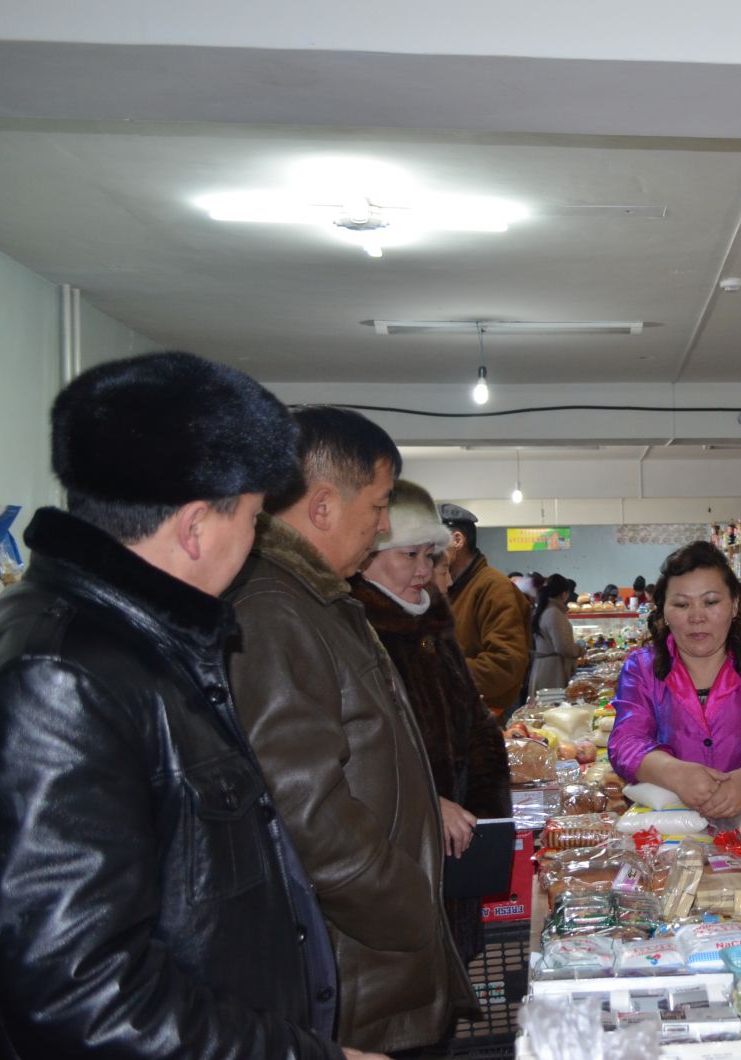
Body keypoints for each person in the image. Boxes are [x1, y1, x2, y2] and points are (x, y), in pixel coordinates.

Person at [0, 352, 379, 1059]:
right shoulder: (63, 675)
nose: (255, 544)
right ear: (198, 526)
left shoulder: (146, 643)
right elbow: (78, 994)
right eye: (256, 520)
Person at [227, 407, 474, 1055]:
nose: (385, 524)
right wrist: (409, 906)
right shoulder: (275, 610)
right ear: (324, 505)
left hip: (379, 958)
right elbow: (305, 810)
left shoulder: (318, 597)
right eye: (380, 502)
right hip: (359, 968)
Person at [350, 480, 511, 968]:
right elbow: (356, 753)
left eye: (430, 555)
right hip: (399, 862)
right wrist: (425, 801)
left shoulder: (431, 623)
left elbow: (473, 722)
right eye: (408, 555)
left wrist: (488, 816)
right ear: (368, 556)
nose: (423, 570)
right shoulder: (355, 630)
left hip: (457, 849)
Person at [607, 541, 741, 818]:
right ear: (664, 611)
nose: (697, 617)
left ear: (735, 605)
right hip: (667, 830)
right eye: (681, 604)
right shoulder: (642, 668)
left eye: (711, 602)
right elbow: (626, 741)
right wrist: (674, 773)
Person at [440, 503, 530, 717]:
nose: (425, 551)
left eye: (432, 541)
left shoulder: (494, 587)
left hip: (486, 715)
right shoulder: (447, 586)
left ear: (457, 540)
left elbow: (506, 663)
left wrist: (439, 674)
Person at [528, 573, 582, 693]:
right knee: (552, 706)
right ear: (564, 593)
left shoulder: (545, 609)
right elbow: (563, 647)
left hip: (545, 667)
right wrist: (580, 650)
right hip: (552, 671)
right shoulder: (554, 613)